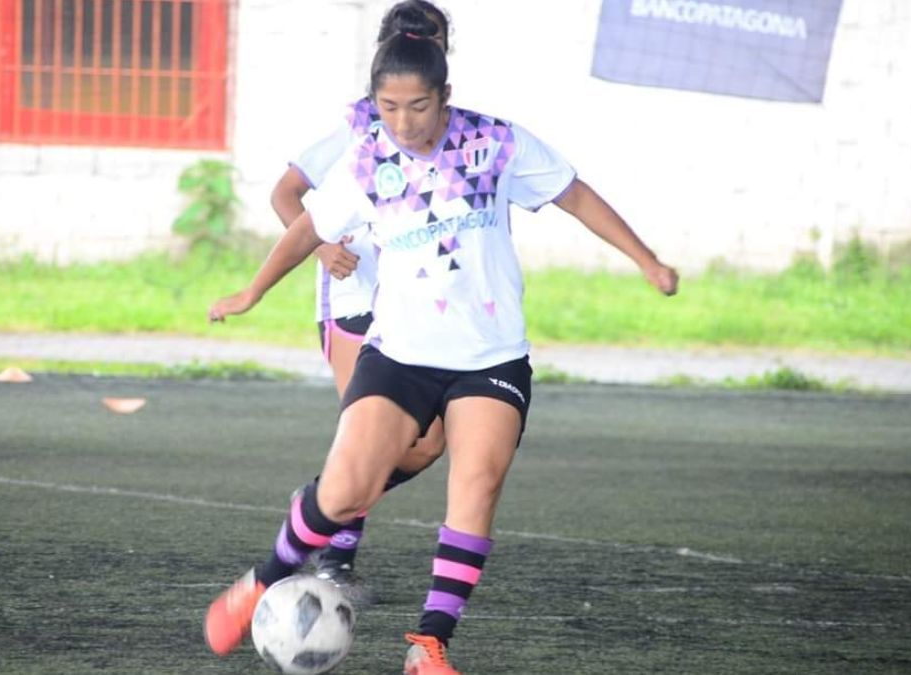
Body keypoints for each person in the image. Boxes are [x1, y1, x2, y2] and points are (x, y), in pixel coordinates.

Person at [205, 7, 678, 673]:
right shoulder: (366, 157)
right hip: (399, 356)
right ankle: (261, 578)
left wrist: (646, 259)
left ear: (445, 97)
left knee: (476, 481)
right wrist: (252, 291)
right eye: (390, 106)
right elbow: (307, 226)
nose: (404, 122)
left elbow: (575, 195)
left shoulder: (498, 143)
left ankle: (430, 644)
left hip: (492, 357)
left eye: (419, 106)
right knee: (343, 491)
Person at [269, 0, 452, 599]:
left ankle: (321, 501)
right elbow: (288, 193)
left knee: (427, 443)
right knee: (369, 434)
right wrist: (321, 249)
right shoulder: (354, 135)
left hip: (419, 306)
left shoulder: (462, 135)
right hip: (353, 299)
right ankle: (334, 558)